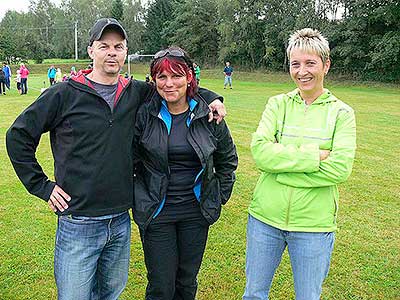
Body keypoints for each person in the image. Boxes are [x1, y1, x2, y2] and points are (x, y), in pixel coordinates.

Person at [6, 18, 226, 300]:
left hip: (121, 219)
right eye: (104, 46)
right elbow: (18, 136)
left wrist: (213, 97)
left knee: (110, 294)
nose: (112, 52)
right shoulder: (63, 94)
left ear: (125, 52)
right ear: (91, 51)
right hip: (79, 221)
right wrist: (42, 186)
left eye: (118, 46)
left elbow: (175, 90)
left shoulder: (136, 92)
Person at [242, 28, 356, 300]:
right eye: (295, 63)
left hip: (313, 226)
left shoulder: (342, 113)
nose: (302, 71)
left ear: (326, 65)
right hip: (264, 219)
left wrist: (280, 170)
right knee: (254, 295)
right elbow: (260, 153)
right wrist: (313, 157)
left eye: (310, 63)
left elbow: (340, 168)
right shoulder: (277, 104)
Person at [133, 47, 238, 300]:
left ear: (189, 76)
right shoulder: (145, 114)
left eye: (177, 76)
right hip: (157, 212)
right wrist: (139, 196)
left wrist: (218, 196)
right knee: (161, 285)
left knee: (187, 281)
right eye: (162, 77)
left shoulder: (208, 114)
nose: (169, 84)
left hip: (196, 213)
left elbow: (227, 160)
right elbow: (131, 161)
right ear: (154, 80)